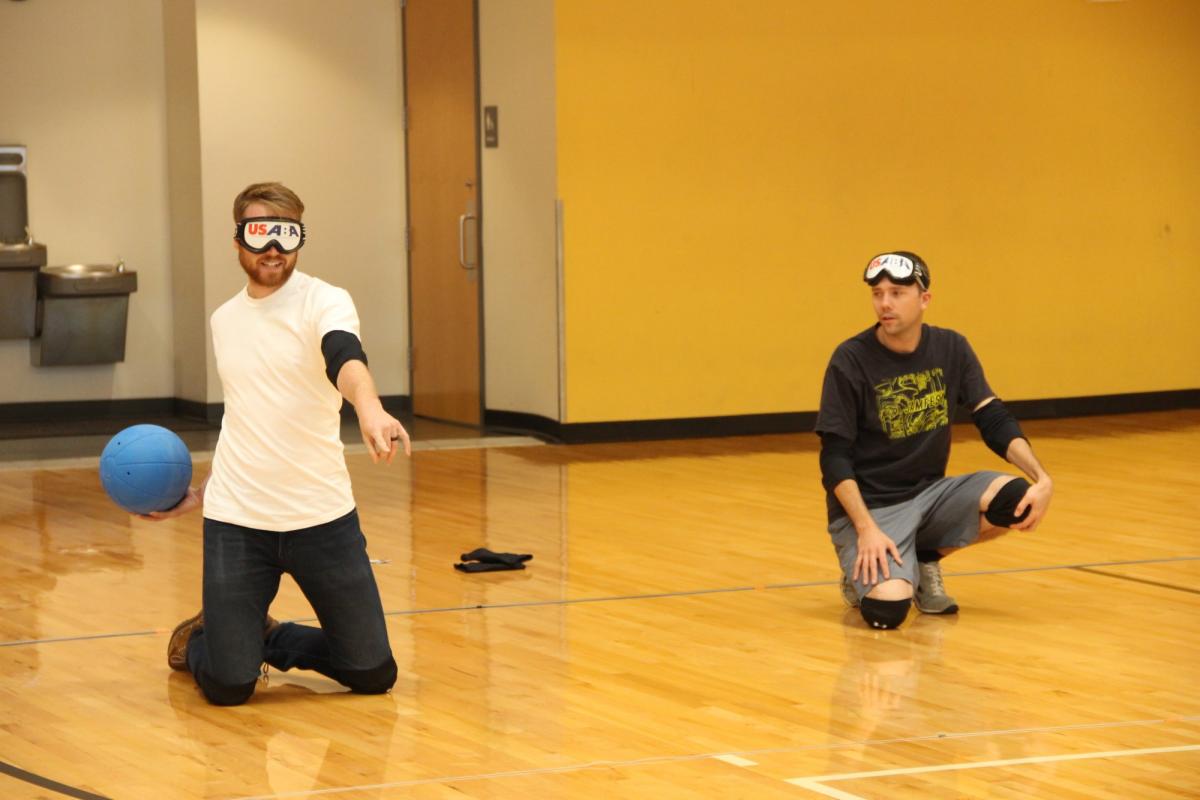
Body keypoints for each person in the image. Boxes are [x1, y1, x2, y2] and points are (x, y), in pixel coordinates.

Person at [150, 181, 411, 705]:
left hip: (322, 517)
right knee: (228, 685)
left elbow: (345, 355)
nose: (272, 248)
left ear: (298, 239)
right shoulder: (225, 320)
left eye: (284, 235)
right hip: (238, 521)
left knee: (372, 673)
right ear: (238, 242)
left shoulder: (325, 300)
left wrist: (370, 407)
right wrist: (205, 493)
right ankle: (212, 639)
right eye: (260, 233)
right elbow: (246, 417)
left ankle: (265, 636)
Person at [815, 251, 1053, 630]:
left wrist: (1043, 478)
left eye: (896, 292)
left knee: (1017, 501)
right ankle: (861, 577)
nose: (885, 303)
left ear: (924, 299)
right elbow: (834, 458)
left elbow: (992, 417)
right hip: (872, 510)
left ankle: (924, 557)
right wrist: (866, 530)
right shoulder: (850, 359)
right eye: (877, 294)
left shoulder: (951, 348)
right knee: (888, 612)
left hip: (930, 496)